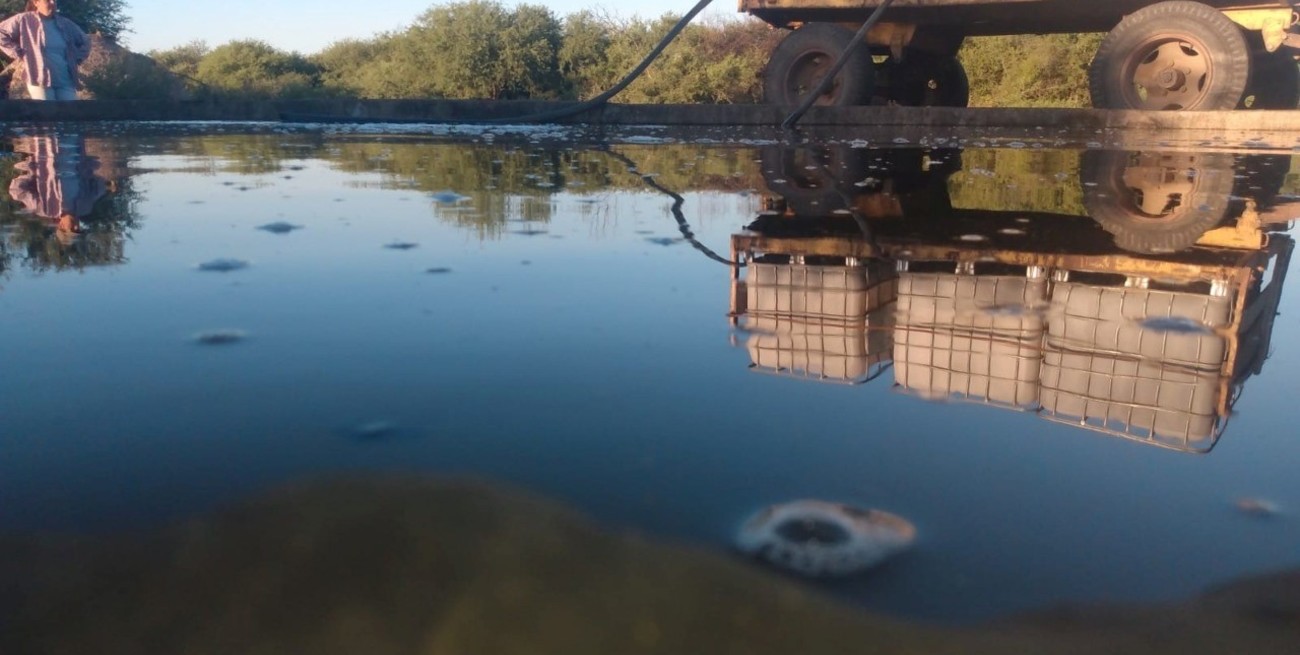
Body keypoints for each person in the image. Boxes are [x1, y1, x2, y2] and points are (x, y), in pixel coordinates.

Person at [9, 133, 109, 240]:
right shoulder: (85, 207)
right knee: (71, 128)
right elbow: (100, 187)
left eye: (73, 229)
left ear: (61, 226)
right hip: (74, 152)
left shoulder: (44, 209)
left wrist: (33, 172)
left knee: (46, 127)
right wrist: (88, 173)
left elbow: (17, 190)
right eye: (78, 229)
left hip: (45, 152)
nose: (76, 226)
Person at [0, 0, 90, 101]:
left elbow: (85, 41)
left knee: (68, 113)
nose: (52, 2)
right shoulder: (24, 19)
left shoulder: (66, 24)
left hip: (65, 79)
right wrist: (18, 52)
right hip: (39, 78)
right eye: (48, 0)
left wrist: (77, 58)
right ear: (36, 3)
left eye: (54, 0)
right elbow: (1, 32)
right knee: (47, 113)